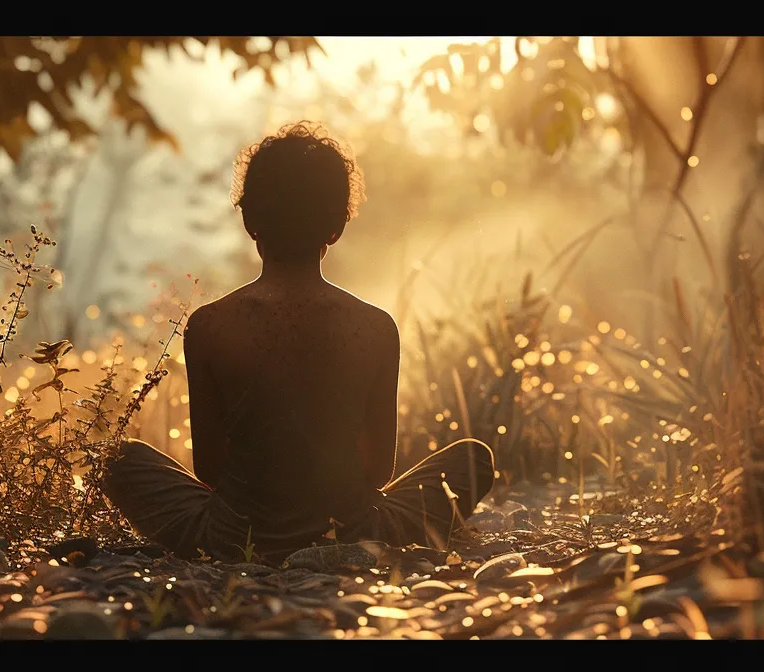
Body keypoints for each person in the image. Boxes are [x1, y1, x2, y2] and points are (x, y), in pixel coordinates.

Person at [103, 121, 494, 563]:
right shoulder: (374, 328)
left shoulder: (211, 326)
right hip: (355, 532)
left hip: (229, 537)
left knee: (117, 458)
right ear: (336, 227)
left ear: (250, 221)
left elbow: (208, 470)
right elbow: (378, 471)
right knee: (473, 458)